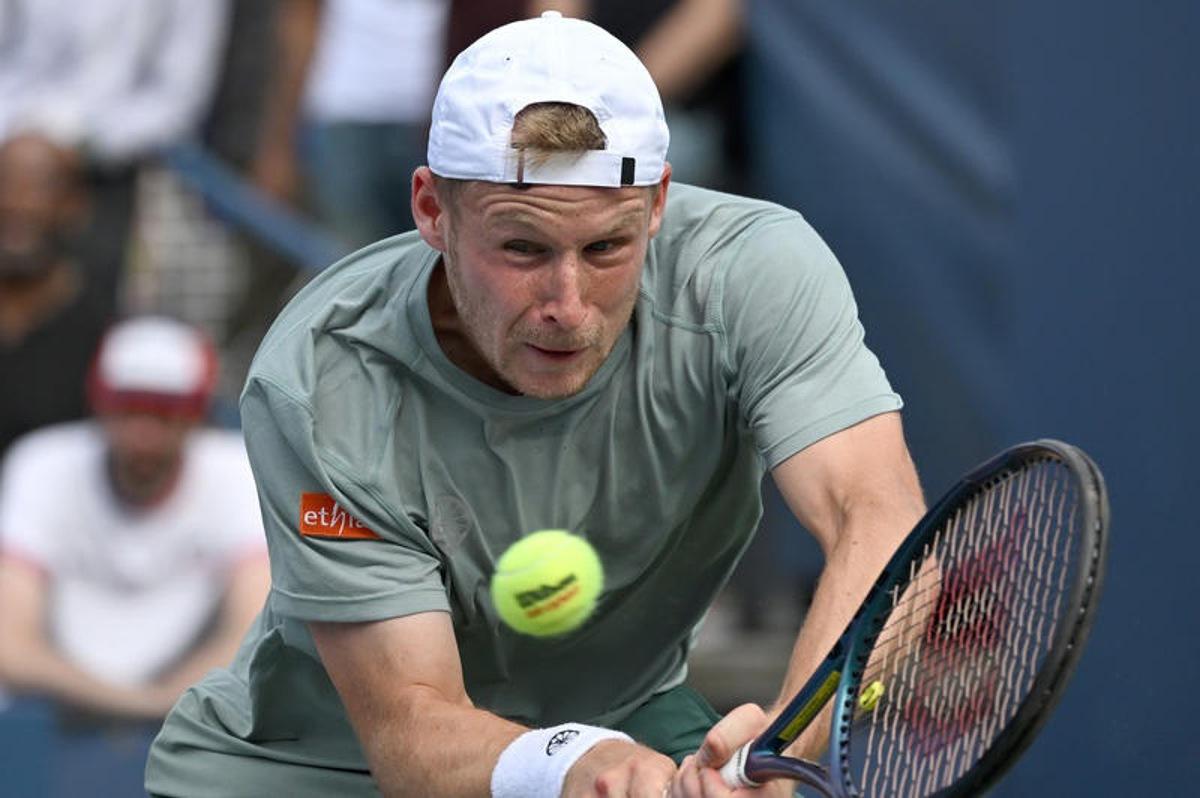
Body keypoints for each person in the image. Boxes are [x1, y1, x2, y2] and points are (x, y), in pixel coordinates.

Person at [146, 12, 925, 798]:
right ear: (431, 210)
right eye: (522, 248)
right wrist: (572, 764)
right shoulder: (321, 377)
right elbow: (411, 731)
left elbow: (877, 517)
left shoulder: (755, 274)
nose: (569, 305)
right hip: (317, 767)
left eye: (606, 249)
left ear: (657, 204)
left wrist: (783, 744)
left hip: (628, 724)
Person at [0, 316, 269, 729]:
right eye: (127, 409)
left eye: (165, 413)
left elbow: (251, 633)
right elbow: (9, 644)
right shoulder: (43, 462)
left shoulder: (236, 470)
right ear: (99, 404)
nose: (142, 432)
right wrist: (142, 704)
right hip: (52, 712)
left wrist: (159, 702)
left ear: (195, 415)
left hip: (194, 712)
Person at [0, 133, 114, 458]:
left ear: (74, 206)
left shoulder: (104, 332)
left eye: (37, 187)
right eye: (4, 183)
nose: (15, 202)